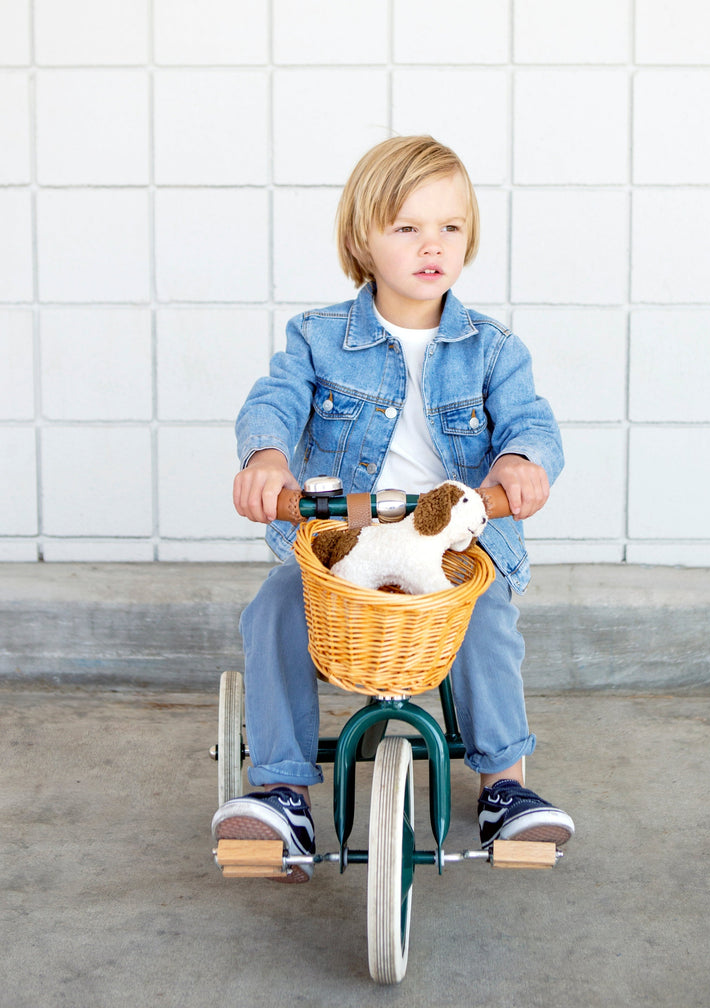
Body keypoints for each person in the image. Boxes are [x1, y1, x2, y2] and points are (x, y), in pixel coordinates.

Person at [212, 135, 574, 882]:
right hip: (345, 541)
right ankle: (283, 789)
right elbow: (274, 400)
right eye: (407, 228)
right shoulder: (316, 339)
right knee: (278, 605)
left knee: (486, 612)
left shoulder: (495, 349)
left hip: (448, 546)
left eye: (450, 227)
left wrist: (521, 465)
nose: (431, 245)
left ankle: (504, 785)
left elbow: (530, 423)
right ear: (363, 242)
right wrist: (267, 457)